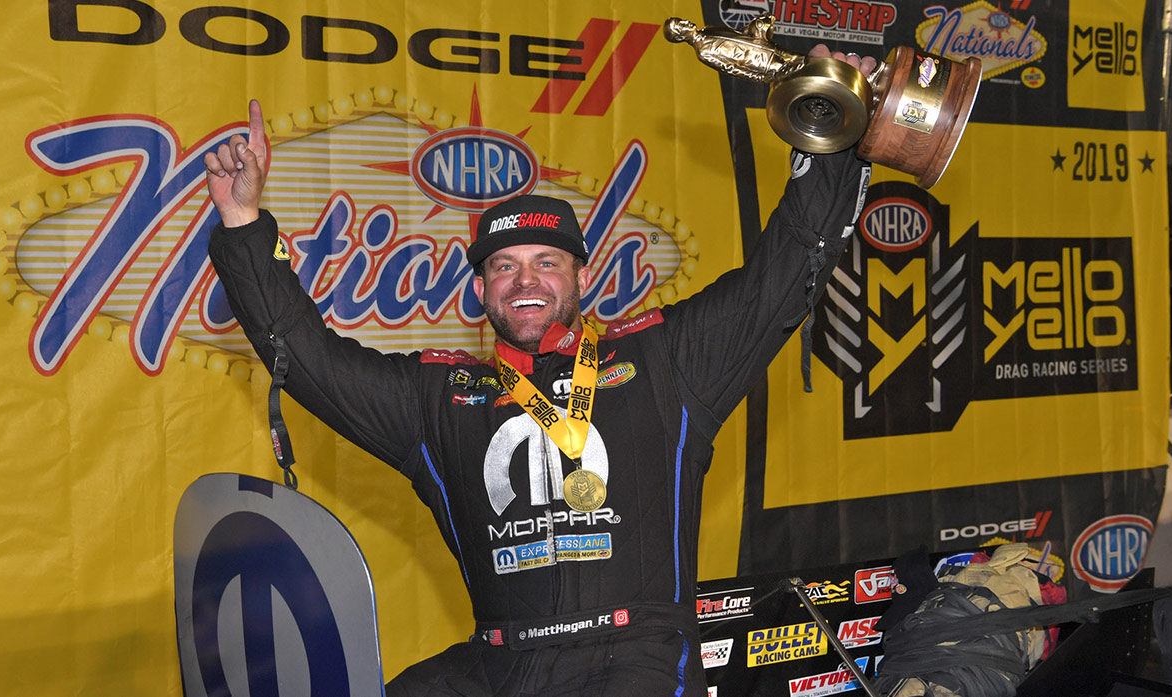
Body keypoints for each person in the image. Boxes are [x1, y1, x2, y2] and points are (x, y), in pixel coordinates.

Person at [204, 47, 878, 697]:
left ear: (582, 277)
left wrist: (833, 133)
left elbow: (783, 275)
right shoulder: (438, 399)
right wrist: (241, 225)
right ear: (480, 290)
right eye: (504, 265)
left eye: (546, 262)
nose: (525, 280)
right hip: (499, 662)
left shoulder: (665, 361)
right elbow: (310, 359)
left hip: (634, 655)